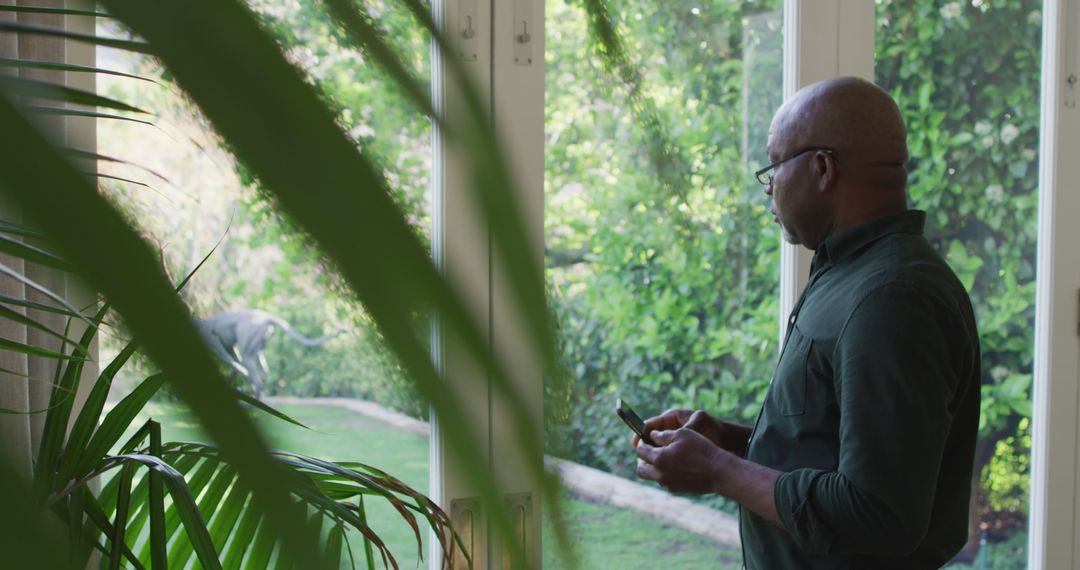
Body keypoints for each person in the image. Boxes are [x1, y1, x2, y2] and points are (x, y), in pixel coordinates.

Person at [634, 76, 981, 569]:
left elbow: (880, 512)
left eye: (775, 164)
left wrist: (718, 471)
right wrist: (730, 441)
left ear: (822, 168)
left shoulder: (891, 298)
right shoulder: (850, 272)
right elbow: (830, 443)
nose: (769, 184)